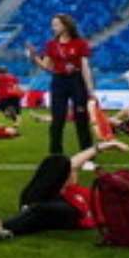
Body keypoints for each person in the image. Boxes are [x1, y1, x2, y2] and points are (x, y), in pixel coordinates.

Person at [0, 139, 129, 239]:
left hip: (72, 214)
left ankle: (3, 226)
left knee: (43, 210)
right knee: (59, 162)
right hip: (47, 199)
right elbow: (72, 163)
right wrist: (104, 146)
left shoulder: (101, 201)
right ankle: (18, 219)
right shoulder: (79, 188)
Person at [27, 13, 94, 155]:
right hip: (59, 81)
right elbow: (47, 67)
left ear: (66, 25)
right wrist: (34, 57)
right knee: (57, 120)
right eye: (53, 25)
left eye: (56, 24)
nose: (53, 27)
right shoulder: (51, 45)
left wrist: (90, 90)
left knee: (81, 120)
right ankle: (55, 155)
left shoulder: (80, 43)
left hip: (77, 81)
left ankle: (87, 154)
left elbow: (85, 67)